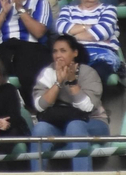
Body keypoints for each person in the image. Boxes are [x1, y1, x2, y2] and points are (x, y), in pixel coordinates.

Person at [29, 33, 110, 173]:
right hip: (59, 124)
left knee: (75, 125)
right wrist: (58, 83)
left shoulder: (88, 72)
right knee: (40, 128)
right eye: (55, 51)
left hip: (93, 122)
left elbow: (88, 108)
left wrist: (72, 82)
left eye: (63, 50)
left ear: (75, 53)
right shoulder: (48, 72)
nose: (58, 55)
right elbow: (39, 105)